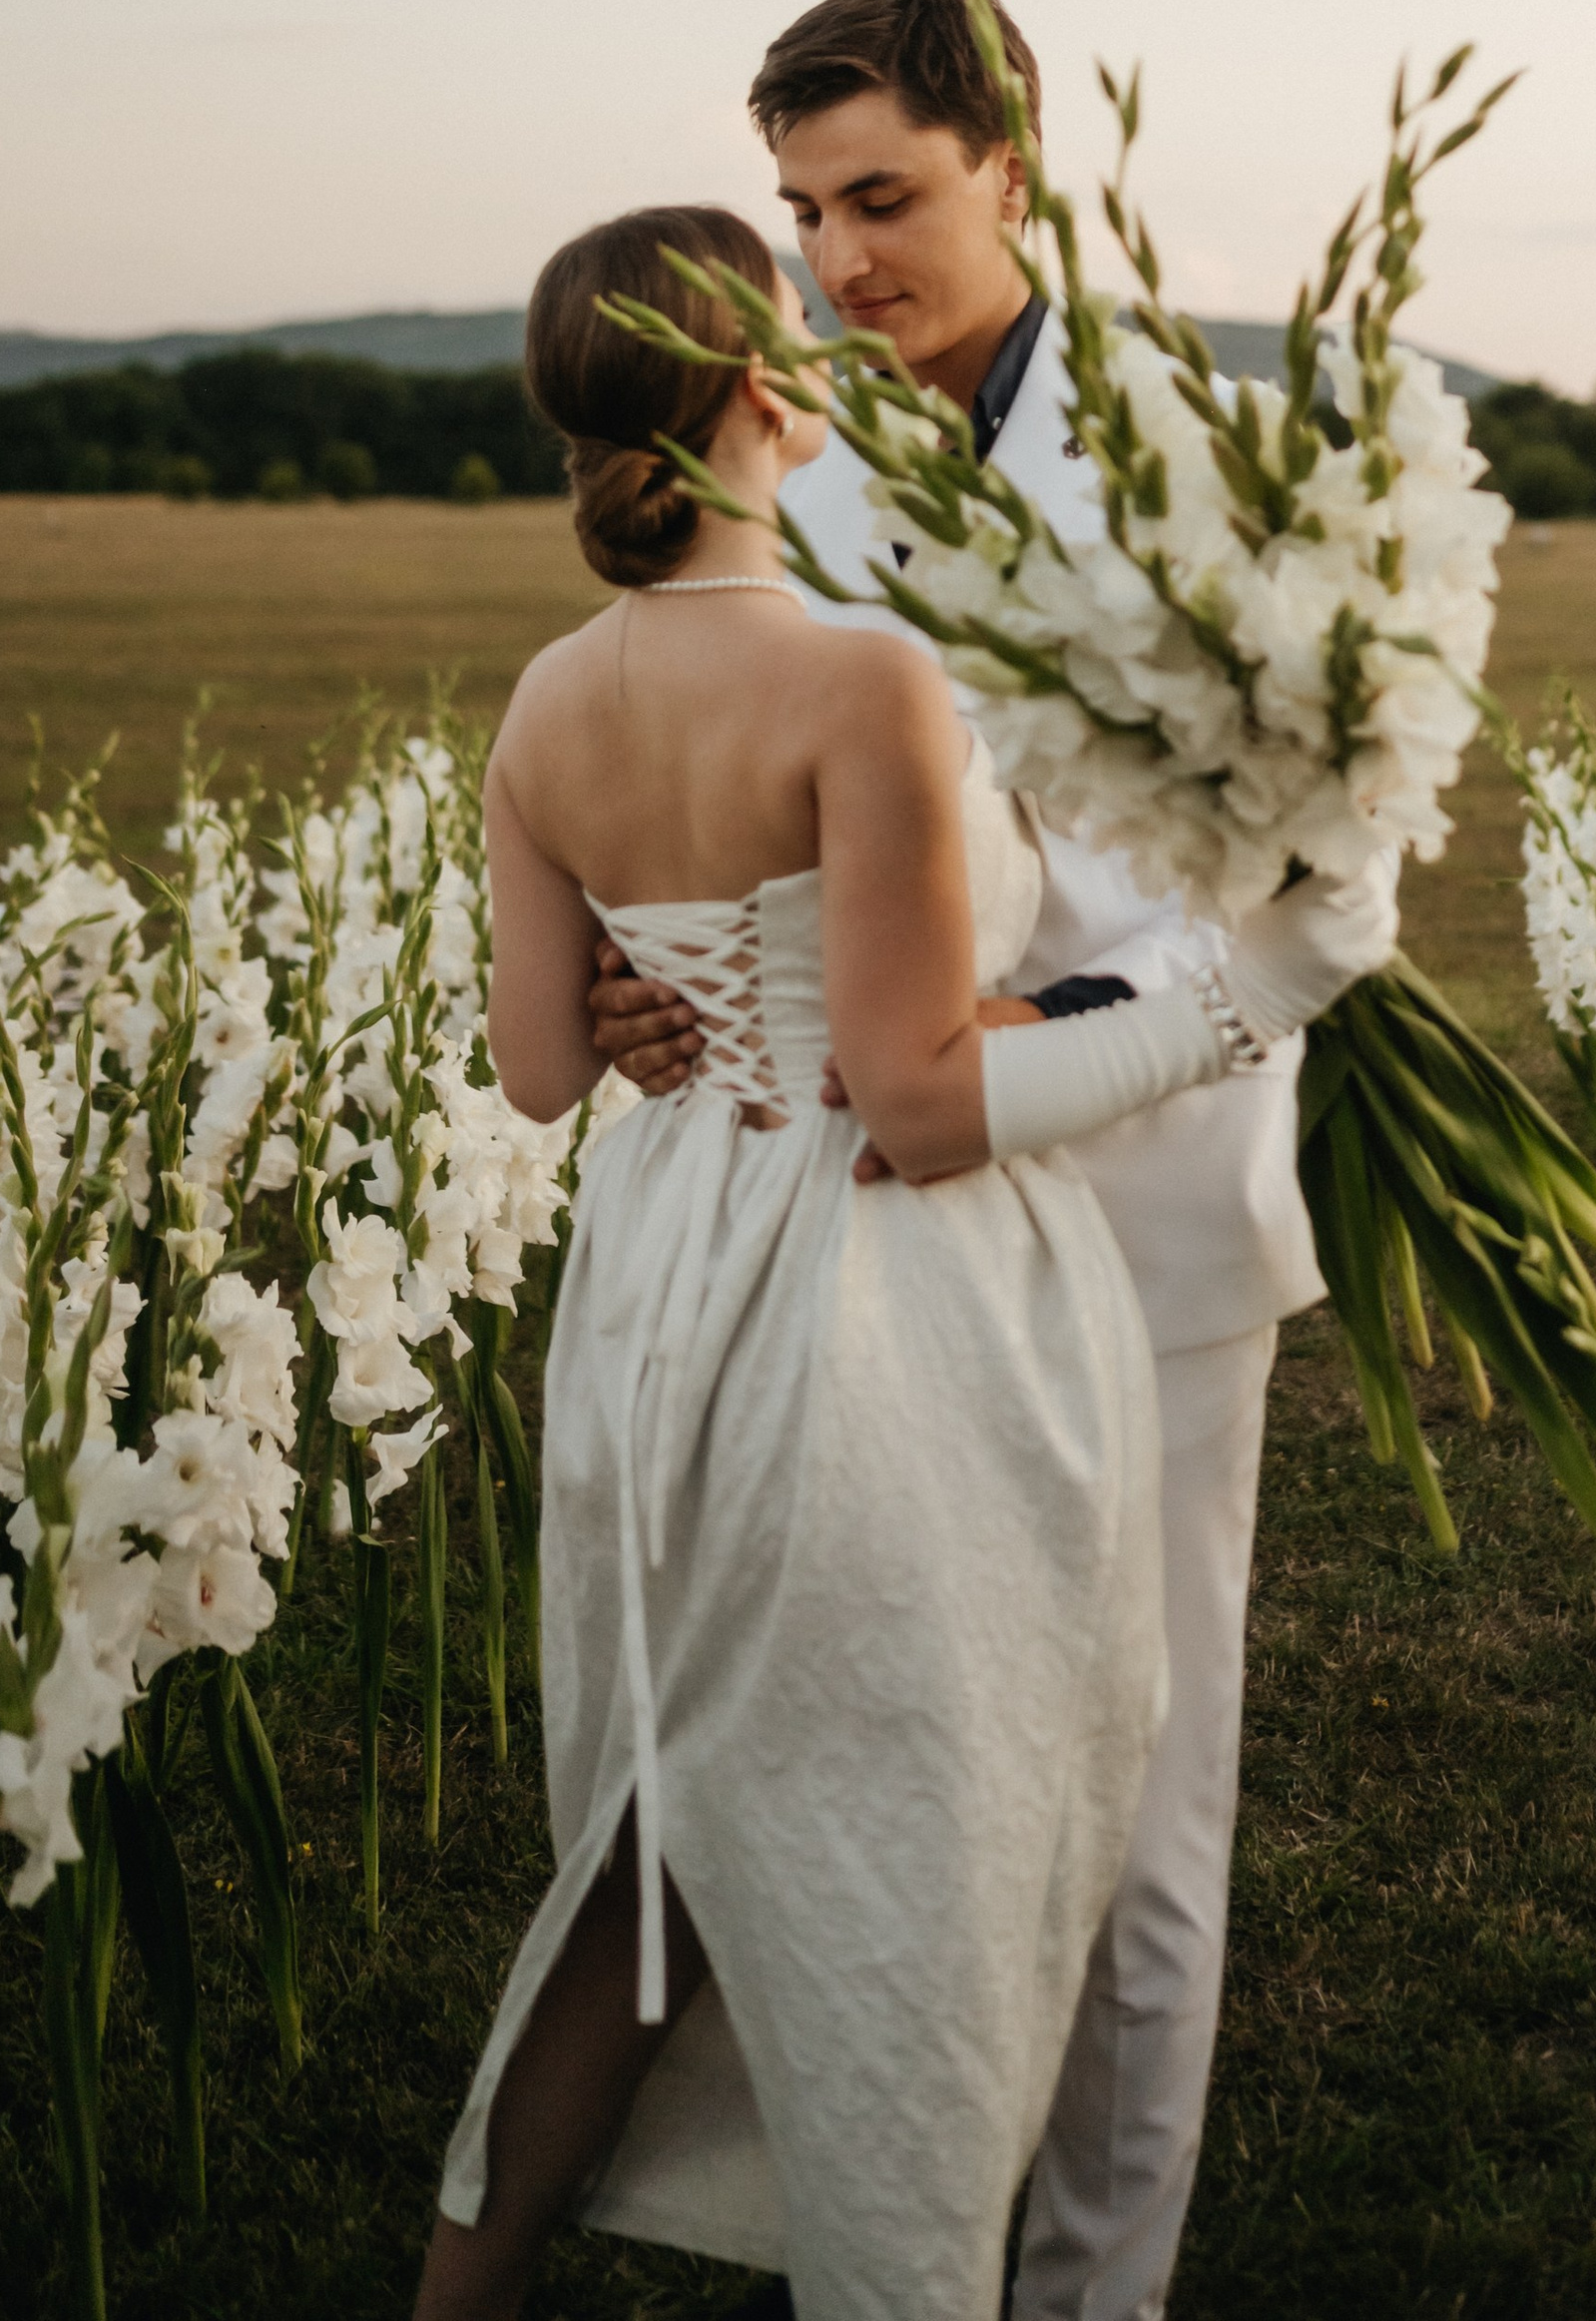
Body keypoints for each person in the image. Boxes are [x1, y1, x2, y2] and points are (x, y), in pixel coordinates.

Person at [422, 198, 1386, 2321]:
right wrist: (1252, 995)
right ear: (769, 390)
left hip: (652, 1312)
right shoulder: (860, 678)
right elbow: (920, 1101)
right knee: (914, 1867)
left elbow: (526, 1072)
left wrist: (641, 987)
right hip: (866, 1326)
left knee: (647, 1850)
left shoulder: (543, 698)